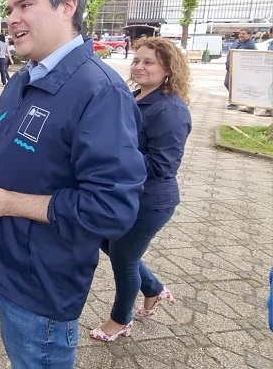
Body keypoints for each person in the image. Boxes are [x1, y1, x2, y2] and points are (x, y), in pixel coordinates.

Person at [0, 0, 146, 368]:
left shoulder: (100, 92)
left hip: (43, 284)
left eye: (25, 6)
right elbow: (9, 148)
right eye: (9, 10)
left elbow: (112, 209)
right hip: (5, 265)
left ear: (67, 6)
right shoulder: (25, 79)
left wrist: (7, 203)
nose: (12, 19)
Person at [90, 37, 192, 342]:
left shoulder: (170, 110)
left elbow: (163, 166)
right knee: (108, 242)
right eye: (137, 60)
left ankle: (120, 320)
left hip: (149, 202)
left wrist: (115, 157)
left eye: (149, 62)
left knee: (124, 258)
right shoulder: (135, 96)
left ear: (168, 69)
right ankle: (154, 289)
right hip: (123, 194)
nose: (139, 66)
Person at [225, 28, 256, 112]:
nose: (240, 35)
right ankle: (235, 101)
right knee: (227, 83)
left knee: (240, 86)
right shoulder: (236, 43)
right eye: (240, 33)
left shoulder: (251, 45)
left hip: (241, 71)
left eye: (243, 34)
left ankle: (237, 103)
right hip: (230, 69)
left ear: (249, 35)